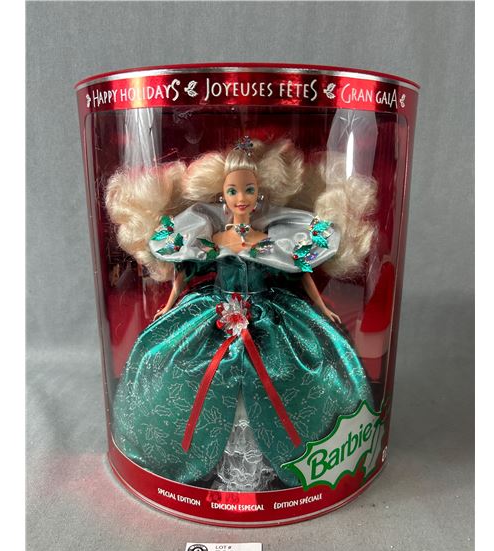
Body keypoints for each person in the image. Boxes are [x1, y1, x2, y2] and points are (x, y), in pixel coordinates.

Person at [105, 137, 377, 490]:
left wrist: (323, 307)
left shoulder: (272, 238)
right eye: (233, 191)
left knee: (292, 373)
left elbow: (302, 271)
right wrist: (169, 305)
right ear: (222, 195)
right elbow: (183, 272)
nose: (241, 198)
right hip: (212, 310)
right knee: (182, 369)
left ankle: (300, 455)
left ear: (260, 193)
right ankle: (188, 455)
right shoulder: (213, 238)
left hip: (271, 314)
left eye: (249, 190)